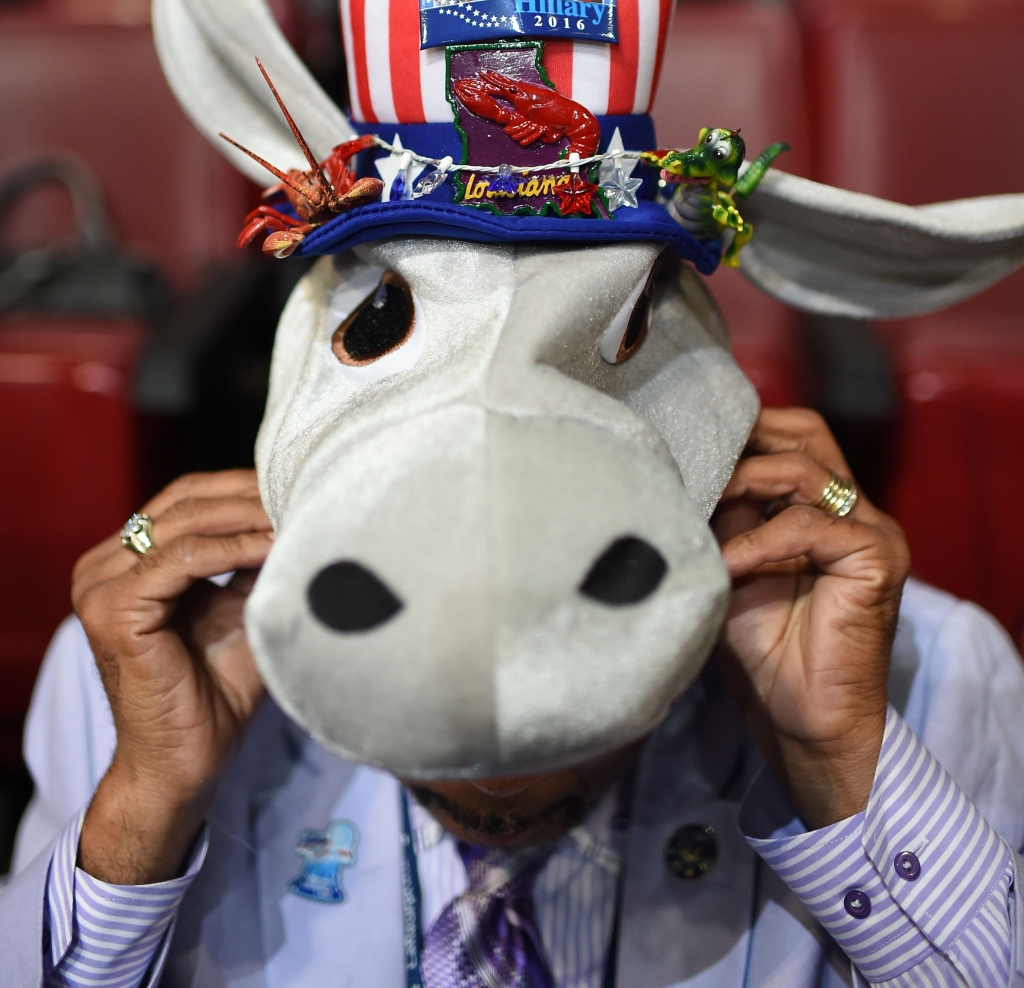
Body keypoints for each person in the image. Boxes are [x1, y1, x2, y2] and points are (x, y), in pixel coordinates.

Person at [4, 408, 1024, 987]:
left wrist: (842, 760)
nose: (496, 765)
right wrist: (144, 812)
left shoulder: (926, 670)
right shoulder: (133, 686)